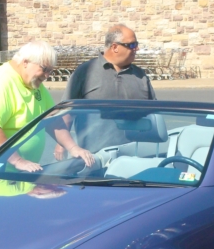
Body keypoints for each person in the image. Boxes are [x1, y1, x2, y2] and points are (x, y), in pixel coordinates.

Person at [0, 41, 93, 175]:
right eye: (44, 69)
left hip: (14, 169)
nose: (47, 76)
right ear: (25, 62)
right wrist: (17, 160)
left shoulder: (33, 84)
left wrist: (73, 148)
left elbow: (54, 120)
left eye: (50, 71)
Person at [54, 24, 156, 157]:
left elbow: (154, 115)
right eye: (132, 45)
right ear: (114, 47)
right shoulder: (85, 72)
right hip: (94, 157)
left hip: (134, 156)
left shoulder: (140, 76)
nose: (136, 48)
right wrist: (62, 144)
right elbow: (67, 112)